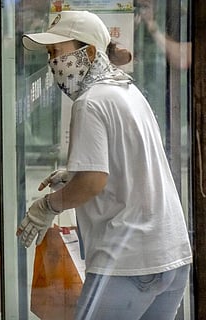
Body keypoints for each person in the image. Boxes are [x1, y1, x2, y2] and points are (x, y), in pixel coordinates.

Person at [18, 10, 192, 320]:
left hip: (128, 265)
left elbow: (93, 183)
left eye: (57, 51)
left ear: (89, 53)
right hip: (172, 257)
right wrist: (75, 173)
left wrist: (48, 206)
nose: (53, 62)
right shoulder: (127, 90)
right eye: (49, 53)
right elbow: (129, 161)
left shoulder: (91, 101)